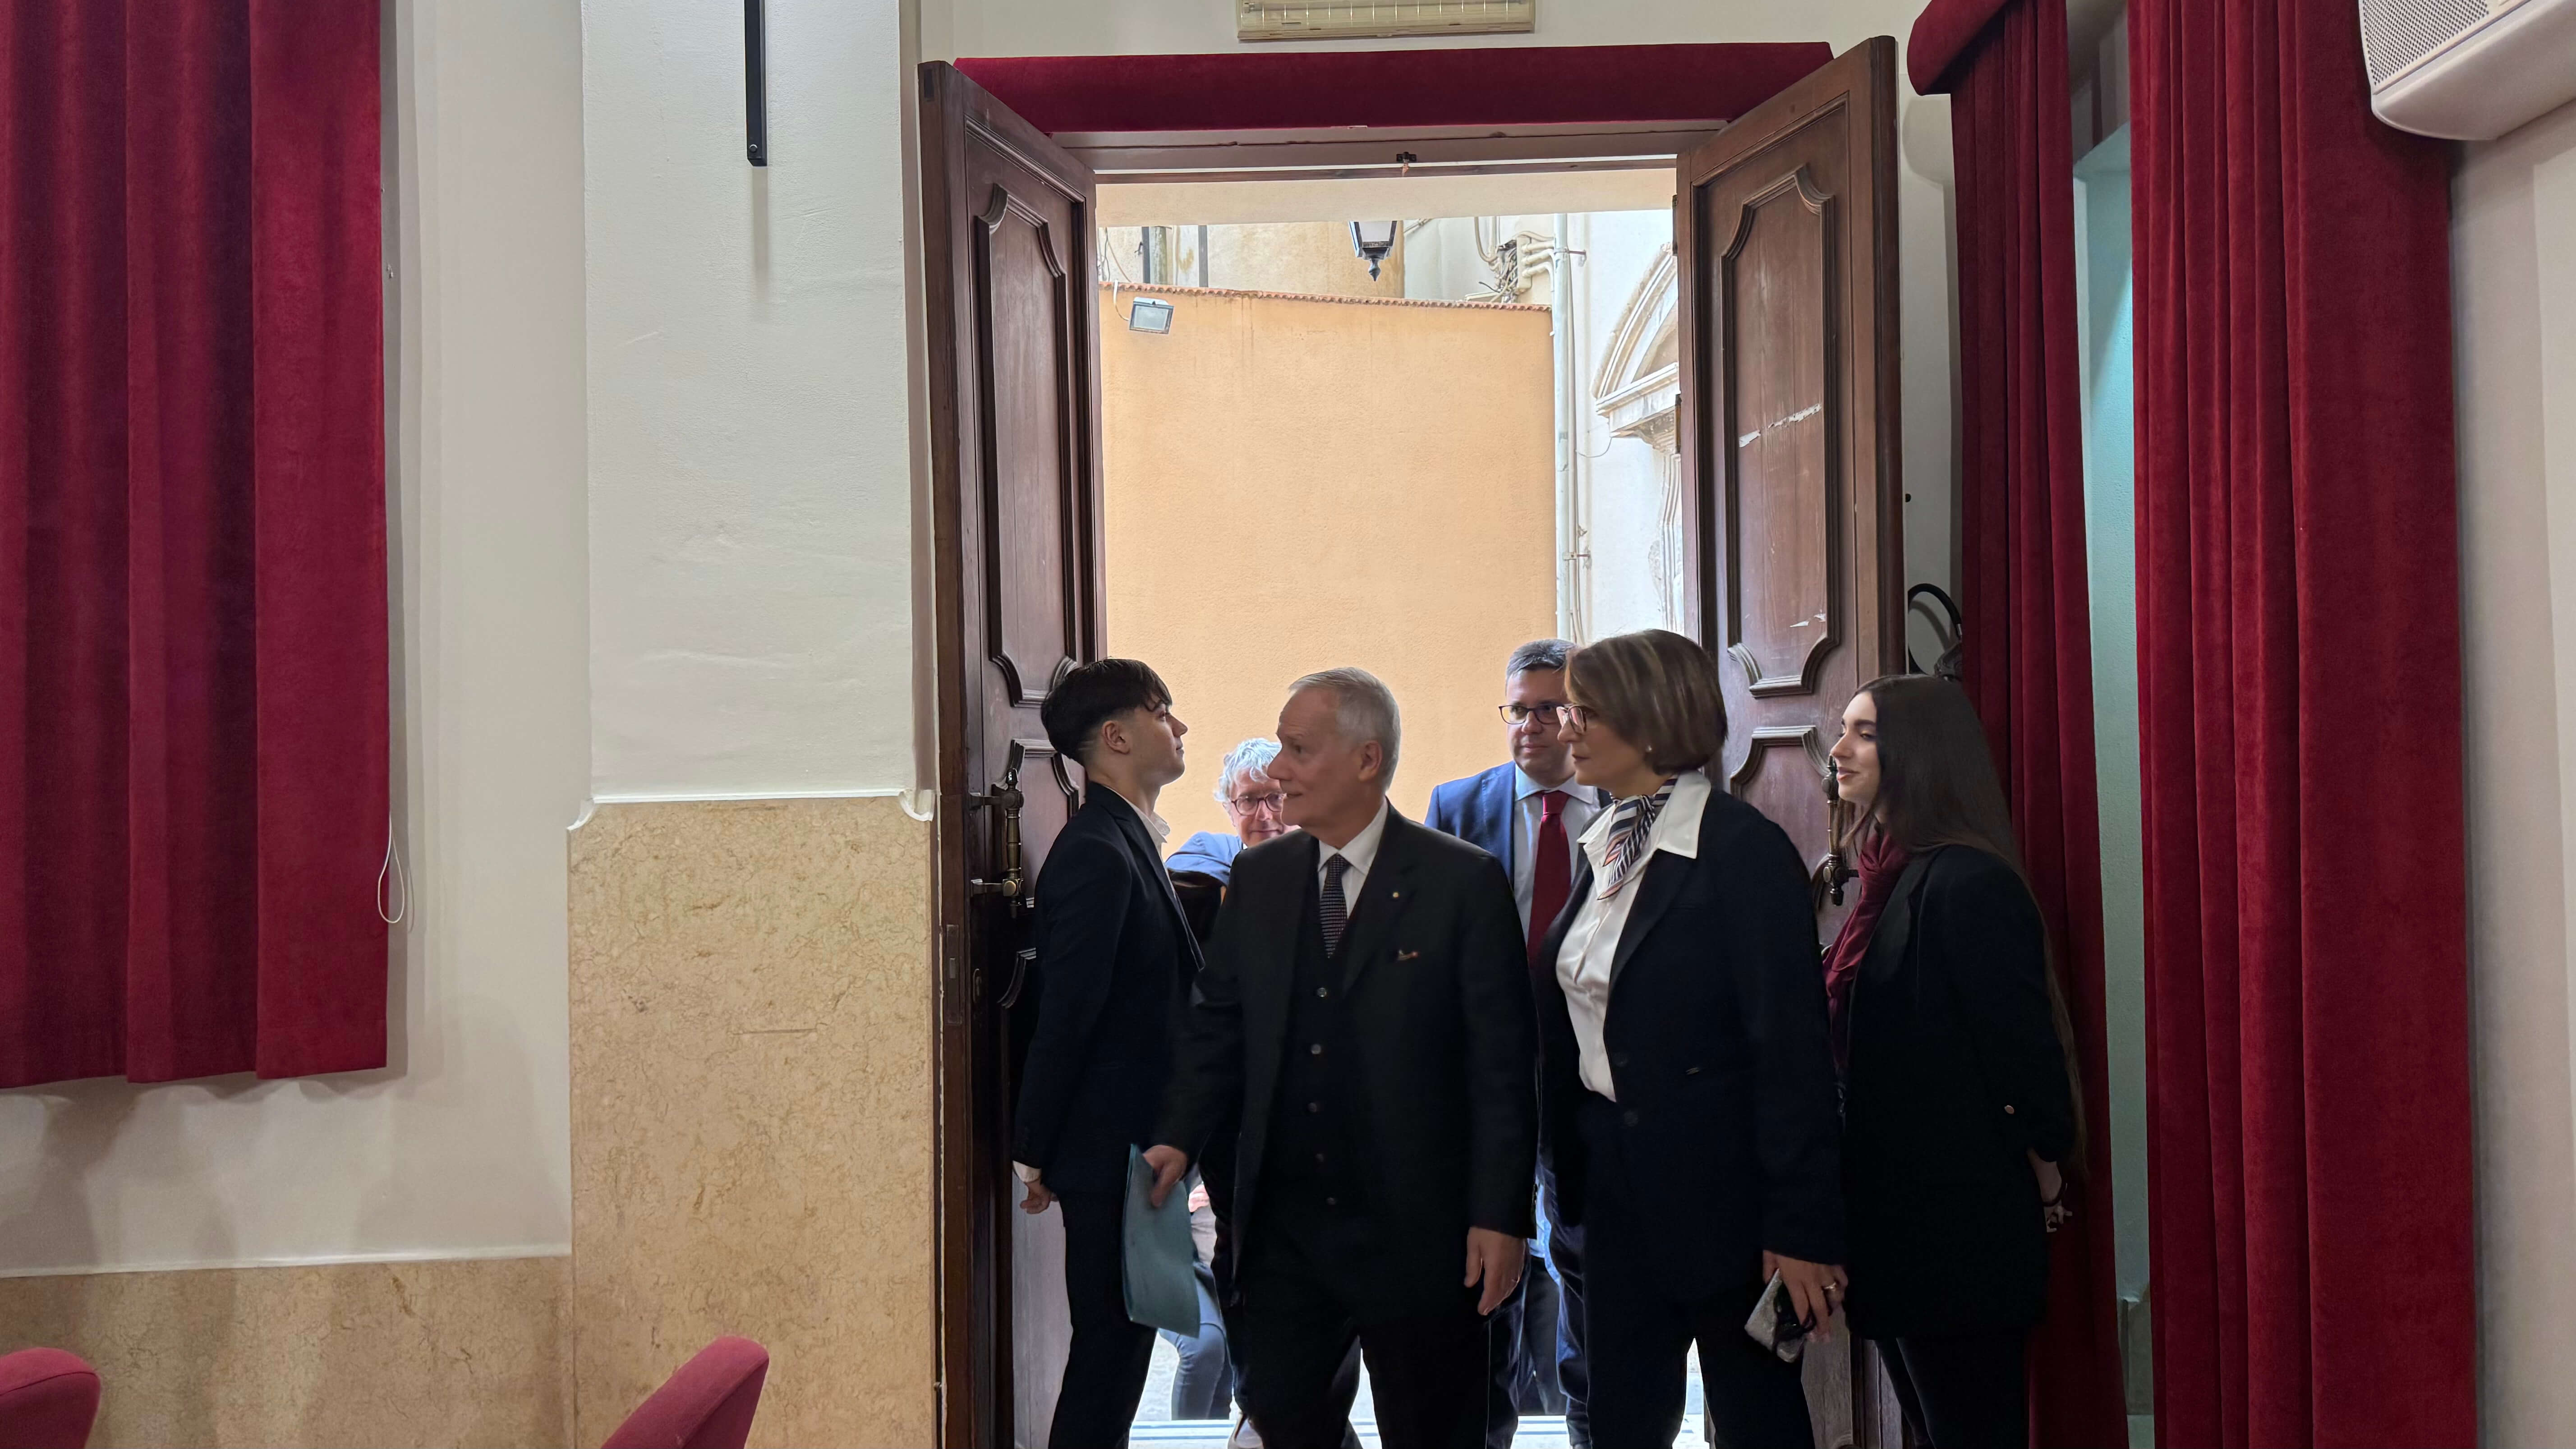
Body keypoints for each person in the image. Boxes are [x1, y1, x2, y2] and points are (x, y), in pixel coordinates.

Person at [1147, 667, 1535, 1449]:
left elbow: (1501, 1066)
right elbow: (1217, 1024)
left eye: (1298, 749)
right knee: (1283, 1416)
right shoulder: (1259, 877)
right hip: (1285, 1229)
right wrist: (1178, 1138)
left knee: (1435, 1430)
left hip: (1421, 1229)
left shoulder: (1461, 880)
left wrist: (1501, 1216)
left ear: (1366, 759)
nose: (1277, 769)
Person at [1529, 630, 1846, 1449]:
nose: (1565, 729)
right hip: (1611, 1196)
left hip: (1727, 1202)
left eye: (1584, 712)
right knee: (1620, 1424)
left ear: (1648, 722)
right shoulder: (1608, 839)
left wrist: (1800, 1229)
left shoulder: (1742, 850)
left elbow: (1791, 1051)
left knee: (1758, 1424)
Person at [1823, 674, 2079, 1449]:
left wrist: (2047, 1170)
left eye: (1864, 732)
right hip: (1894, 1223)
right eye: (1844, 729)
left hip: (1958, 1231)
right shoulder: (1884, 874)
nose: (1838, 749)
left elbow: (2020, 1056)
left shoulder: (1969, 881)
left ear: (1921, 752)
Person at [1010, 658, 1201, 1449]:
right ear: (1117, 736)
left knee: (1120, 1355)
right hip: (1109, 1149)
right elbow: (1069, 1013)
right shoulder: (1097, 849)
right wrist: (1033, 1148)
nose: (1179, 726)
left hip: (1132, 1146)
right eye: (1163, 710)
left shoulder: (1128, 838)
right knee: (1108, 1359)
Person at [1425, 638, 1605, 1446]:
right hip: (1487, 1075)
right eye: (1517, 709)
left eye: (1548, 709)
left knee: (1585, 1275)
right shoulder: (1458, 805)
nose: (1529, 726)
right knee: (1485, 1280)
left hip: (1590, 1076)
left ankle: (1586, 1423)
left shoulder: (1627, 805)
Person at [1169, 736, 1290, 884]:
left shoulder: (1317, 865)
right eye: (1248, 800)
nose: (1264, 815)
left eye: (1277, 797)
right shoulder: (1205, 856)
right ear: (1230, 811)